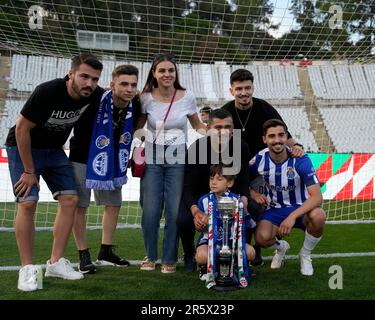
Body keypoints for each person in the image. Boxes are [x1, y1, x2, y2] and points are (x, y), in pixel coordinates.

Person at [5, 53, 103, 291]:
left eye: (95, 79)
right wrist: (29, 171)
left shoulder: (96, 95)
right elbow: (21, 129)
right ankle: (27, 268)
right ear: (71, 74)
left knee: (70, 199)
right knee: (27, 203)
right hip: (23, 147)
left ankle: (55, 262)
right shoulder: (47, 91)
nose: (89, 83)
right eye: (84, 76)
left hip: (54, 149)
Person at [221, 68, 304, 265]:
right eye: (239, 88)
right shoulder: (226, 112)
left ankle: (255, 250)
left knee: (259, 207)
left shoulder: (264, 108)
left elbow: (284, 132)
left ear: (253, 88)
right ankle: (237, 249)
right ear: (231, 90)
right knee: (235, 208)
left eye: (247, 88)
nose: (244, 93)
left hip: (262, 170)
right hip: (235, 169)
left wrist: (298, 147)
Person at [136, 52, 206, 274]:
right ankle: (150, 255)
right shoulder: (145, 97)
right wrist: (139, 142)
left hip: (178, 157)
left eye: (171, 70)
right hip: (153, 155)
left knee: (174, 211)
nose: (167, 74)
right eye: (162, 70)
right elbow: (138, 128)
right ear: (154, 74)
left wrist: (219, 136)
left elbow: (197, 125)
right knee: (150, 210)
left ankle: (169, 258)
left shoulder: (187, 96)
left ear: (175, 73)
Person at [69, 64, 141, 273]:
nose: (129, 89)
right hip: (82, 157)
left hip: (114, 162)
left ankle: (106, 251)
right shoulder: (95, 96)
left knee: (114, 204)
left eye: (133, 85)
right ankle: (83, 254)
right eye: (124, 84)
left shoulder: (135, 103)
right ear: (112, 84)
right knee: (80, 206)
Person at [177, 108, 251, 272]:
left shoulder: (241, 146)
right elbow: (188, 186)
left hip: (228, 195)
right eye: (218, 127)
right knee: (182, 218)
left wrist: (244, 200)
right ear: (208, 129)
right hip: (200, 197)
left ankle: (244, 252)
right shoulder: (197, 148)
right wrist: (196, 211)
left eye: (228, 127)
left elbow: (245, 179)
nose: (223, 131)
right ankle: (190, 253)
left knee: (252, 209)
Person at [249, 119, 326, 276]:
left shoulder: (300, 158)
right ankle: (281, 247)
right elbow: (242, 181)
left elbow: (317, 197)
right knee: (261, 238)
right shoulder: (259, 159)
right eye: (272, 136)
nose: (277, 140)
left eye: (281, 135)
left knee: (319, 215)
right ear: (265, 139)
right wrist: (253, 193)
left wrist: (292, 216)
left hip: (301, 208)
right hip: (274, 209)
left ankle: (305, 254)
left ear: (286, 137)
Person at [195, 164, 255, 285]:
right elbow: (198, 228)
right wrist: (202, 223)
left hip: (231, 241)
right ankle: (204, 268)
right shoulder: (204, 200)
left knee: (250, 253)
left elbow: (250, 224)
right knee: (201, 255)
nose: (214, 182)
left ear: (230, 183)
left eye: (219, 179)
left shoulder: (236, 200)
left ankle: (239, 266)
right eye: (211, 178)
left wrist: (242, 214)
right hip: (210, 241)